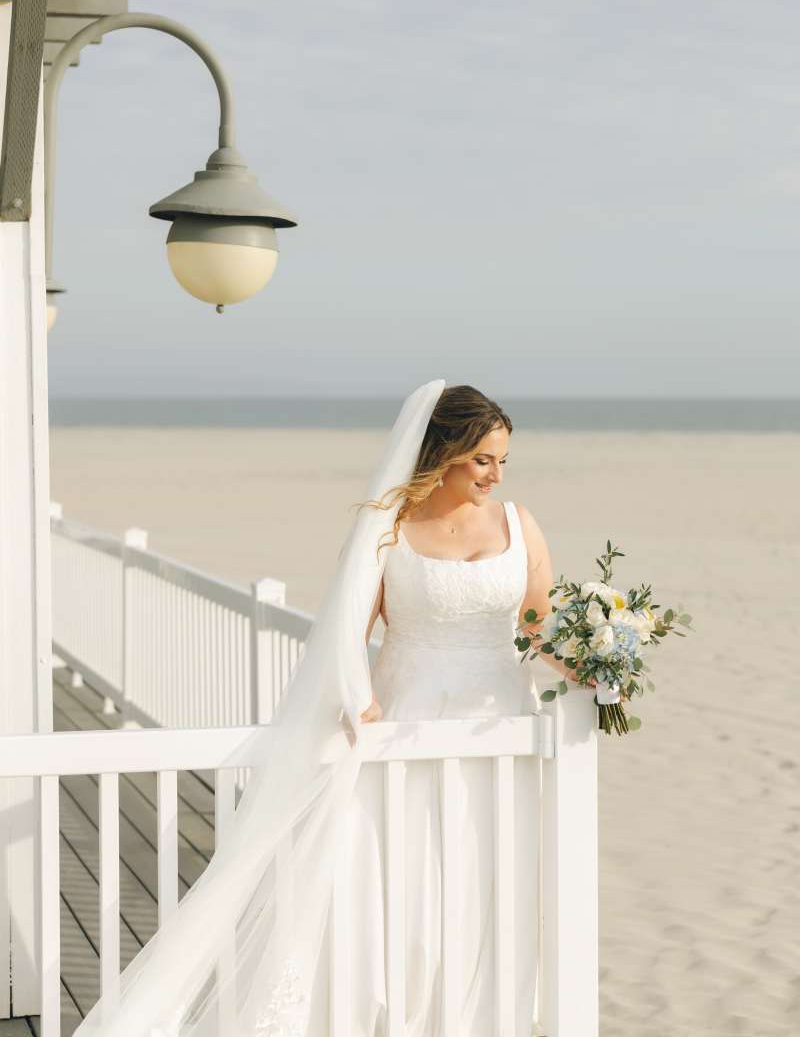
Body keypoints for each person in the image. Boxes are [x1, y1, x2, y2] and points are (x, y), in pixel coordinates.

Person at [72, 380, 580, 1037]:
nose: (495, 474)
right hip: (405, 718)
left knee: (485, 873)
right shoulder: (388, 526)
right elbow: (347, 627)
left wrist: (598, 670)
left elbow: (539, 624)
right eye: (483, 458)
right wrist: (354, 697)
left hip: (497, 722)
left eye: (503, 460)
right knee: (400, 878)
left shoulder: (519, 524)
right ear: (445, 450)